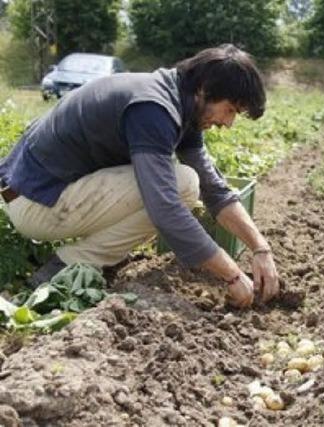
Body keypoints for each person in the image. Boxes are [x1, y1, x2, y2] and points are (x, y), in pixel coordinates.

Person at [0, 44, 279, 308]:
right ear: (205, 89)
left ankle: (74, 261)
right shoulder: (153, 108)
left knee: (189, 181)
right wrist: (231, 275)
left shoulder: (183, 102)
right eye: (230, 109)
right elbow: (165, 208)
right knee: (182, 185)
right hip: (35, 202)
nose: (228, 123)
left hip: (44, 191)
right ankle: (71, 263)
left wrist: (260, 249)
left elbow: (214, 189)